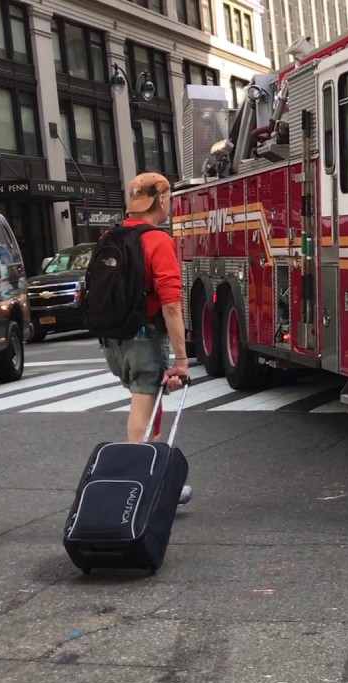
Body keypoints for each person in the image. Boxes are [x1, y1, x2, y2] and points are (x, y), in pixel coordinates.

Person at [100, 172, 193, 504]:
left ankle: (150, 478)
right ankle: (133, 491)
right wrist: (182, 360)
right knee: (141, 414)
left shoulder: (110, 237)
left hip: (114, 341)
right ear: (163, 201)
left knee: (149, 404)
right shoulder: (158, 241)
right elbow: (170, 305)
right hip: (144, 337)